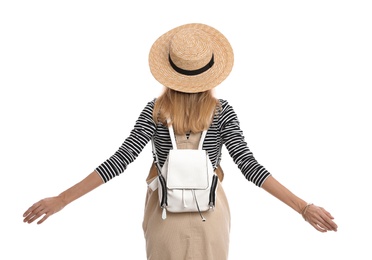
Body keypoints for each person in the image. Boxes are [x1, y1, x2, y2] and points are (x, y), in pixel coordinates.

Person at [23, 23, 338, 260]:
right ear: (211, 71)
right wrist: (302, 207)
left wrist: (62, 199)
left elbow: (118, 162)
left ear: (169, 70)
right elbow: (249, 166)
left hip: (164, 218)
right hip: (210, 218)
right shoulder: (222, 112)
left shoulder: (156, 111)